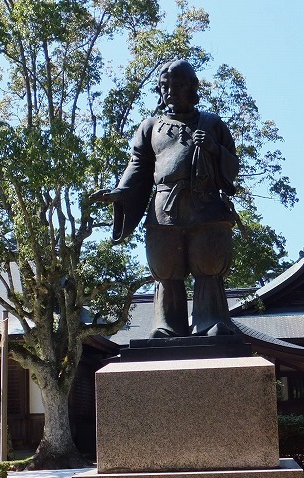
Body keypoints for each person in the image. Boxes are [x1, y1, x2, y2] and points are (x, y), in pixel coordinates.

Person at [92, 59, 240, 338]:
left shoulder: (212, 123)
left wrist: (213, 149)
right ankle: (166, 325)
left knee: (208, 265)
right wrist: (121, 192)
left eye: (177, 86)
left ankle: (210, 322)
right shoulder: (150, 126)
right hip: (164, 209)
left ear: (193, 88)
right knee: (166, 270)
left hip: (206, 206)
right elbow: (138, 165)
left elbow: (233, 167)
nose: (170, 91)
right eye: (165, 86)